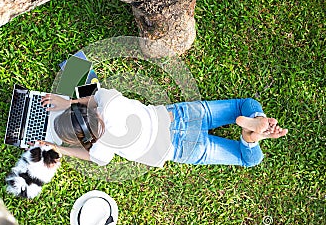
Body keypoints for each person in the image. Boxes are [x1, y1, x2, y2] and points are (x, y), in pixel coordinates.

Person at [37, 88, 288, 168]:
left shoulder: (100, 146)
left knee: (249, 160)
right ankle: (254, 119)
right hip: (180, 117)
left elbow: (89, 155)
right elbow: (92, 100)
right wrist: (67, 102)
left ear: (84, 138)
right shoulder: (108, 99)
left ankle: (250, 140)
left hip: (179, 149)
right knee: (246, 104)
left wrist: (59, 148)